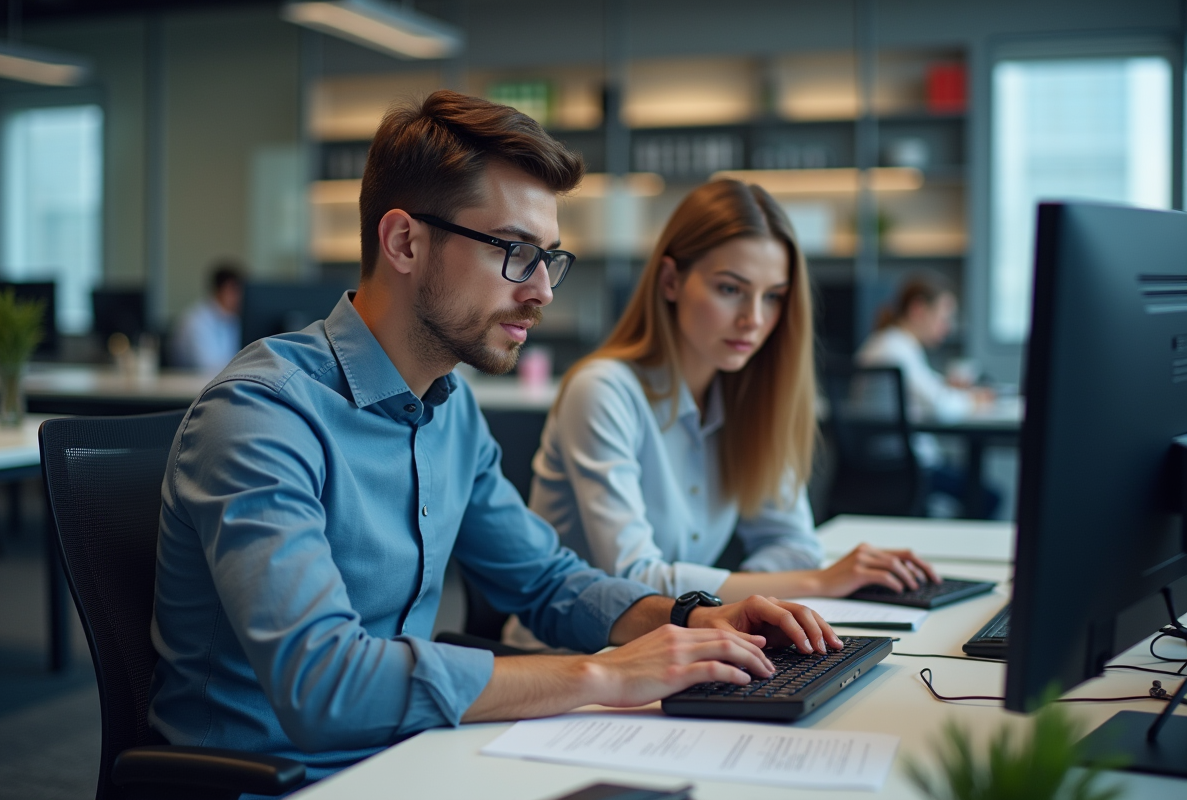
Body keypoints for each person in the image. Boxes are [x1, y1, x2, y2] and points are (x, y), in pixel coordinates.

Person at [148, 91, 842, 784]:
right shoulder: (264, 414)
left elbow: (546, 582)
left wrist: (694, 618)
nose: (542, 290)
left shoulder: (449, 408)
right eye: (515, 251)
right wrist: (602, 674)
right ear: (404, 242)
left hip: (408, 760)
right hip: (276, 783)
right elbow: (326, 685)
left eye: (549, 258)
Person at [506, 180, 938, 650]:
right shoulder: (604, 390)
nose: (753, 318)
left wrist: (740, 597)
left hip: (683, 648)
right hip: (572, 661)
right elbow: (631, 576)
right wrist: (811, 584)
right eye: (731, 288)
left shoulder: (751, 397)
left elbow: (796, 545)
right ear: (670, 281)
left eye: (773, 296)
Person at [855, 274, 999, 518]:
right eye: (943, 318)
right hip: (903, 468)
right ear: (919, 309)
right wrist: (974, 400)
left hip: (881, 465)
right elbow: (942, 407)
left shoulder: (886, 343)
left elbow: (928, 389)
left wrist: (950, 387)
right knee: (988, 497)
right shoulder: (896, 349)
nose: (947, 327)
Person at [170, 261, 244, 373]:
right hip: (192, 387)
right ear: (224, 290)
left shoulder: (232, 319)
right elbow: (207, 367)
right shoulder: (195, 320)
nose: (240, 297)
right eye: (235, 291)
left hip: (220, 383)